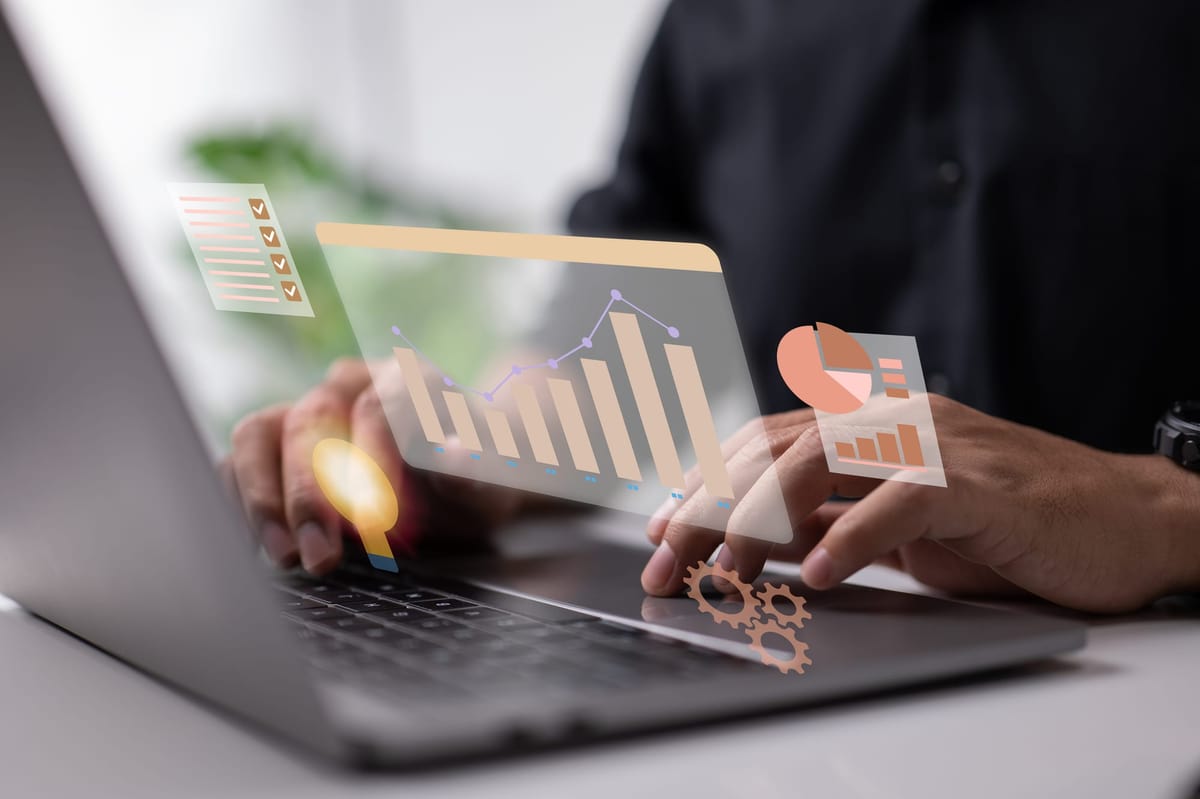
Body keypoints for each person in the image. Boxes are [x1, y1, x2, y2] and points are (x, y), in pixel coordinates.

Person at [226, 1, 1200, 613]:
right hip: (828, 665)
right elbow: (623, 342)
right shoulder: (719, 21)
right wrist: (468, 454)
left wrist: (1165, 507)